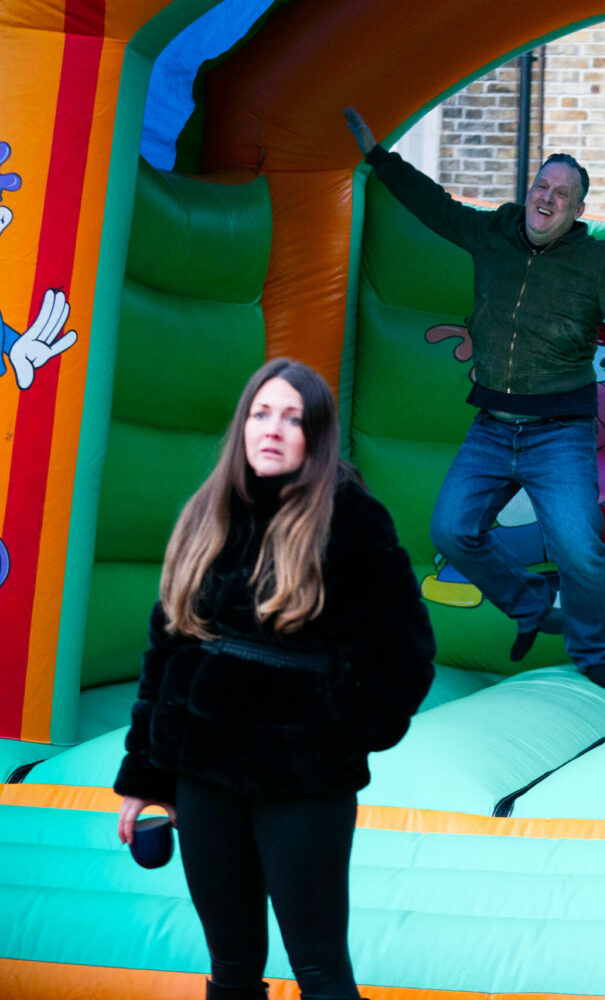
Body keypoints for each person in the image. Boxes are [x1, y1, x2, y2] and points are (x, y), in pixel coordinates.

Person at [342, 107, 605, 689]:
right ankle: (529, 602)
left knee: (581, 550)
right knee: (451, 531)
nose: (548, 198)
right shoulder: (494, 233)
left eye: (563, 194)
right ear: (530, 190)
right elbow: (432, 205)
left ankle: (593, 657)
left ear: (577, 211)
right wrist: (377, 156)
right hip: (492, 426)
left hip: (557, 433)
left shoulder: (595, 264)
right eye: (543, 185)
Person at [114, 358, 435, 1000]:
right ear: (243, 426)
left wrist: (335, 736)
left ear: (315, 438)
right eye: (262, 413)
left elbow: (406, 656)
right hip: (203, 776)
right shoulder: (208, 514)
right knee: (231, 969)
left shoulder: (351, 521)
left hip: (300, 783)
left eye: (293, 418)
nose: (273, 428)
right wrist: (145, 778)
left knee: (318, 968)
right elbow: (166, 654)